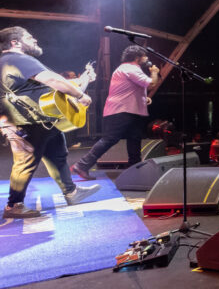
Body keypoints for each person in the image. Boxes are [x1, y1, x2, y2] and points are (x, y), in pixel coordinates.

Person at [0, 26, 100, 217]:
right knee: (25, 162)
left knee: (57, 154)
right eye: (29, 37)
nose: (35, 39)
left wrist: (85, 80)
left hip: (40, 121)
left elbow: (54, 90)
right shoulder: (17, 59)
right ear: (15, 42)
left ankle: (71, 192)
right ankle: (13, 206)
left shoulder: (10, 62)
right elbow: (54, 81)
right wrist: (80, 95)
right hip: (27, 122)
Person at [71, 45, 159, 179]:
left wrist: (143, 98)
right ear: (137, 57)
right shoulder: (131, 68)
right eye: (144, 56)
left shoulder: (126, 68)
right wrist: (154, 72)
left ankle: (134, 170)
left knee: (134, 139)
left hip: (129, 110)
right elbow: (151, 84)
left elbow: (128, 89)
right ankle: (82, 165)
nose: (146, 58)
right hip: (121, 111)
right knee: (110, 138)